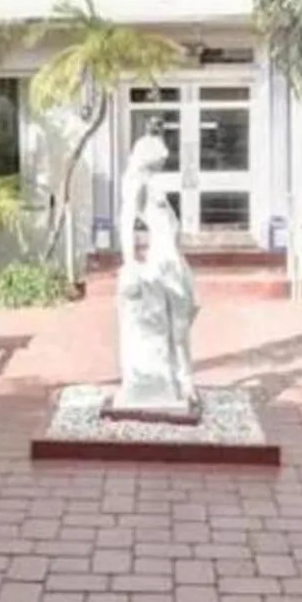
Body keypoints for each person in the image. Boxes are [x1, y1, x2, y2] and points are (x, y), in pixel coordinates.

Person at [113, 134, 198, 413]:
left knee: (185, 316)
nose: (163, 163)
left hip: (173, 257)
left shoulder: (149, 181)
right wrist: (130, 263)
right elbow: (126, 223)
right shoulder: (136, 182)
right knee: (178, 323)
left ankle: (182, 377)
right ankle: (183, 379)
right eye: (160, 160)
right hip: (163, 260)